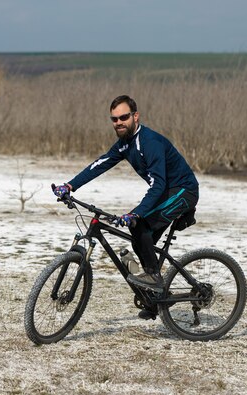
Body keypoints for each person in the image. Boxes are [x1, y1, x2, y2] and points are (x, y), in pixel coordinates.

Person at [53, 95, 199, 293]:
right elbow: (100, 164)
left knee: (139, 224)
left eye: (124, 117)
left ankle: (154, 278)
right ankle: (154, 299)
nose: (119, 122)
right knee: (139, 235)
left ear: (135, 116)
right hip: (166, 192)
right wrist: (70, 186)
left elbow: (158, 184)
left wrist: (136, 213)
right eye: (114, 119)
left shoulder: (150, 142)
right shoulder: (124, 143)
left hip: (183, 191)